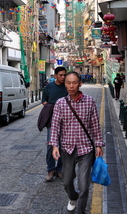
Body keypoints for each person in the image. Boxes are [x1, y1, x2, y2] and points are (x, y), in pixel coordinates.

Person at [49, 71, 105, 213]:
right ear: (65, 84)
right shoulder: (60, 103)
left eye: (75, 82)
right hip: (67, 149)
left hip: (86, 149)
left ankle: (81, 211)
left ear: (80, 83)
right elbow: (55, 126)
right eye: (68, 83)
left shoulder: (90, 101)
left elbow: (94, 125)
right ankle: (72, 196)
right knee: (67, 182)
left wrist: (98, 144)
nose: (72, 86)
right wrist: (55, 145)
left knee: (84, 186)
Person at [41, 66, 68, 182]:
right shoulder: (49, 87)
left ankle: (60, 169)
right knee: (51, 145)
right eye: (61, 75)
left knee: (63, 145)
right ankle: (50, 170)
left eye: (64, 75)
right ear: (55, 75)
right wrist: (53, 108)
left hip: (66, 120)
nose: (63, 77)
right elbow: (44, 101)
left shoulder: (68, 86)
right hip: (52, 120)